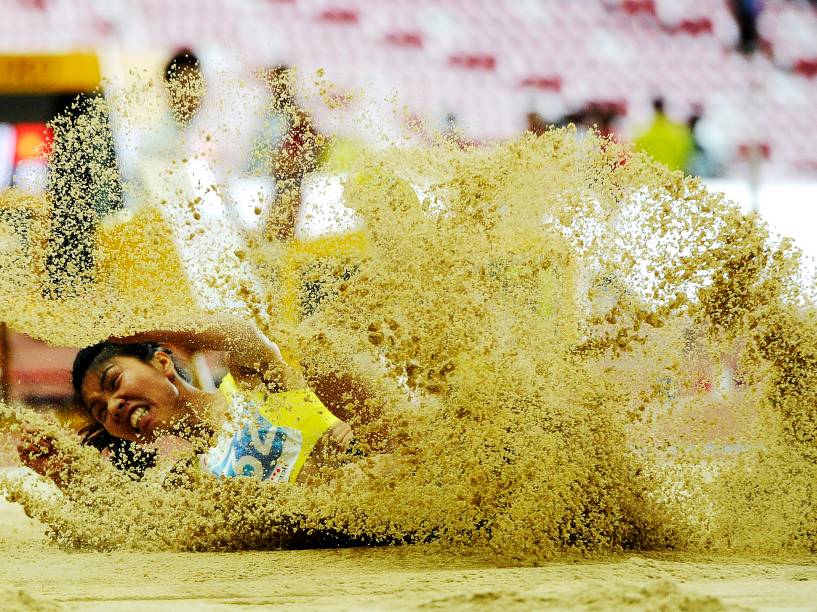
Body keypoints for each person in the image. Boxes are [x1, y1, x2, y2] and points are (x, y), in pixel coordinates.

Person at [15, 318, 375, 486]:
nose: (112, 406)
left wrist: (153, 331)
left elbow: (240, 335)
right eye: (99, 410)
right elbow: (133, 526)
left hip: (383, 463)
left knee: (316, 345)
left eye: (114, 382)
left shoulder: (251, 385)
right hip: (341, 514)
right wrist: (66, 477)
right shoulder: (188, 481)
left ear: (162, 362)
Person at [633, 97, 693, 173]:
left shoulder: (642, 135)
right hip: (672, 175)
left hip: (651, 177)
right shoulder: (678, 134)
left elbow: (638, 156)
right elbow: (684, 157)